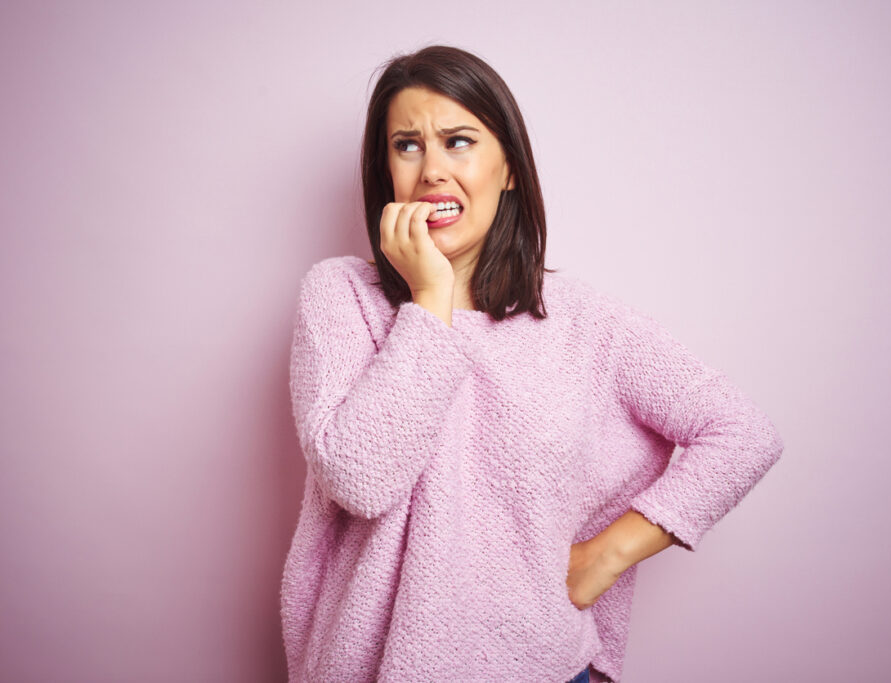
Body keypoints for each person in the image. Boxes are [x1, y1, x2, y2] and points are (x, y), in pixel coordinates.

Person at [280, 44, 784, 683]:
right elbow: (360, 480)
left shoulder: (581, 322)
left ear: (509, 169)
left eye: (458, 141)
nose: (432, 169)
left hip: (538, 668)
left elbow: (742, 433)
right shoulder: (340, 297)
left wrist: (605, 557)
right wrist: (432, 299)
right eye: (407, 145)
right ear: (387, 171)